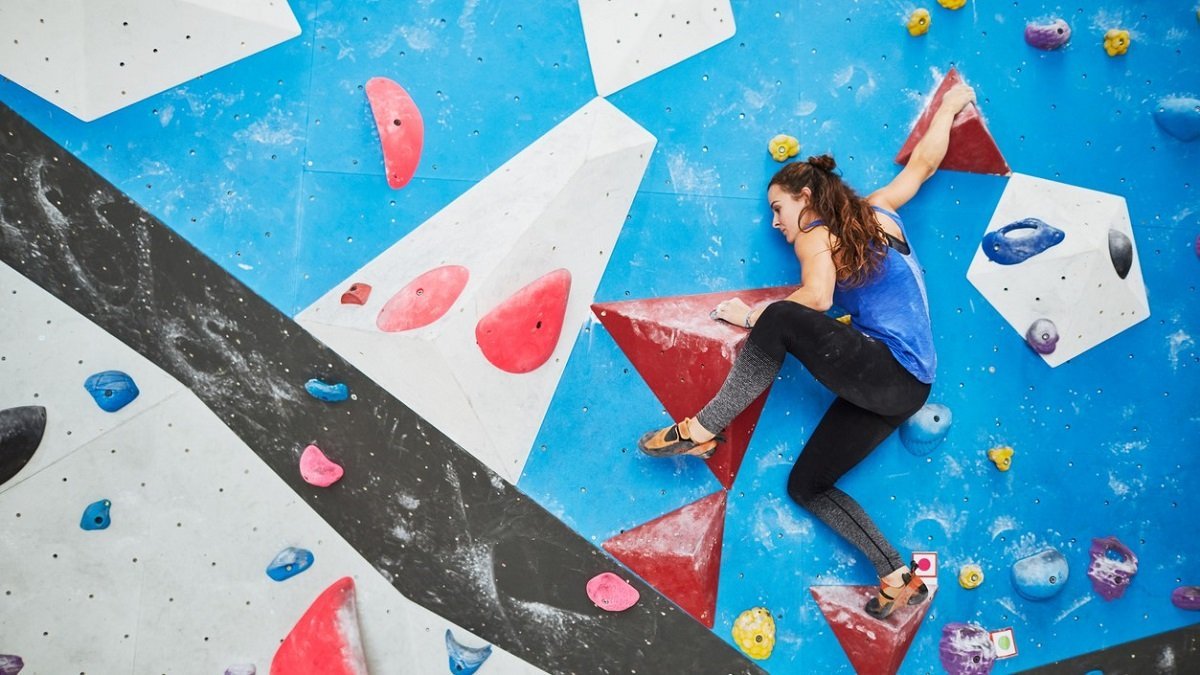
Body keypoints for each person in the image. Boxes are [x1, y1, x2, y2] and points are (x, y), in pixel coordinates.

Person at [637, 83, 977, 620]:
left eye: (778, 208)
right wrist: (953, 106)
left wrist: (751, 316)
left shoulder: (814, 232)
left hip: (887, 370)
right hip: (905, 390)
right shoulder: (880, 211)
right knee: (808, 486)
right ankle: (897, 577)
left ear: (807, 199)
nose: (775, 222)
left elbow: (816, 298)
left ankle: (703, 428)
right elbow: (924, 167)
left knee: (780, 316)